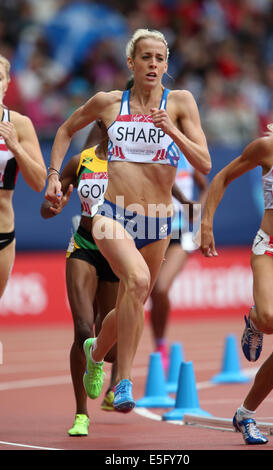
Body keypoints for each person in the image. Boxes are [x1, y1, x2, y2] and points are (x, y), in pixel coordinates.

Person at [45, 28, 211, 413]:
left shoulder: (181, 103)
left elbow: (204, 162)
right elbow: (65, 130)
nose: (153, 64)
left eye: (159, 59)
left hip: (158, 220)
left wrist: (173, 131)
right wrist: (54, 175)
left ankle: (95, 351)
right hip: (111, 215)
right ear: (131, 63)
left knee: (134, 298)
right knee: (136, 281)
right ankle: (123, 380)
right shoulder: (108, 103)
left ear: (167, 66)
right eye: (145, 57)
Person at [200, 79, 273, 445]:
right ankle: (254, 319)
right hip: (271, 248)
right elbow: (222, 176)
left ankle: (246, 414)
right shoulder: (270, 147)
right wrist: (206, 223)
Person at [41, 121, 119, 436]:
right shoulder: (81, 160)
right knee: (83, 329)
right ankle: (81, 414)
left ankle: (100, 359)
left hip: (117, 252)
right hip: (84, 246)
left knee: (110, 348)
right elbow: (48, 207)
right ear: (102, 124)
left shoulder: (131, 162)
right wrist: (54, 206)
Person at [149, 152, 208, 370]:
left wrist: (197, 209)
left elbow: (204, 187)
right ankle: (152, 343)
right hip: (151, 232)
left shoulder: (187, 158)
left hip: (179, 234)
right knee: (149, 291)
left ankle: (160, 345)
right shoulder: (151, 151)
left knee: (161, 288)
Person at [0, 54, 46, 299]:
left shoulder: (19, 125)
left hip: (3, 232)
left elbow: (39, 182)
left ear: (7, 84)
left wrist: (15, 146)